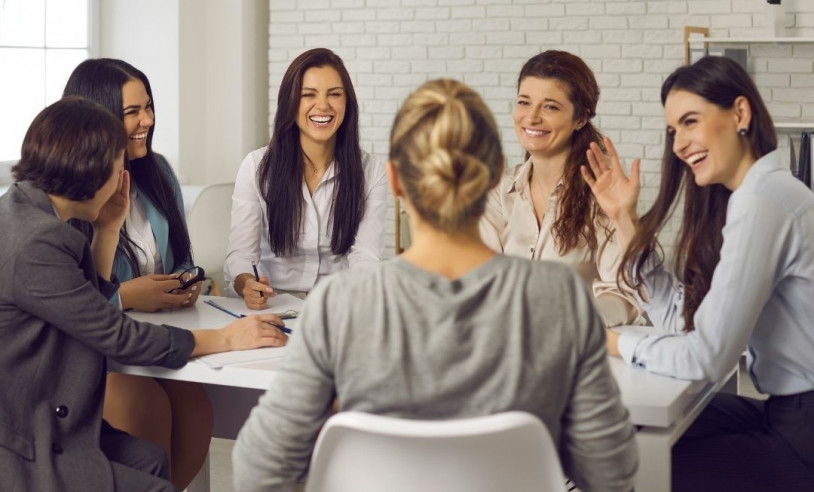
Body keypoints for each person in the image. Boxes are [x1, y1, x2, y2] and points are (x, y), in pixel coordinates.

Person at [232, 79, 638, 492]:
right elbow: (612, 474)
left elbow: (258, 472)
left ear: (393, 180)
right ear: (497, 170)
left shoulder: (339, 304)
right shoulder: (559, 296)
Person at [0, 97, 287, 491]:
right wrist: (225, 338)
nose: (124, 173)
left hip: (39, 421)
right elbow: (112, 332)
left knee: (151, 460)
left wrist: (108, 229)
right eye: (119, 162)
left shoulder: (26, 211)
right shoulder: (39, 241)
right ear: (92, 168)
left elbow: (87, 302)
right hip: (23, 443)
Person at [582, 56, 814, 490]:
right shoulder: (751, 196)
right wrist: (623, 220)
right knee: (632, 441)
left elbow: (707, 357)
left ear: (740, 114)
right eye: (674, 131)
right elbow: (689, 325)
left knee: (637, 469)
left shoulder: (764, 201)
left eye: (690, 121)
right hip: (785, 413)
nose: (679, 144)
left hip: (803, 435)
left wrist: (612, 341)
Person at [62, 58, 212, 490]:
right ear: (100, 115)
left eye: (148, 107)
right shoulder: (72, 192)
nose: (146, 120)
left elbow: (180, 256)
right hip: (97, 350)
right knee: (146, 404)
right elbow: (69, 299)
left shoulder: (158, 171)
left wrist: (185, 282)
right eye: (132, 112)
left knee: (195, 404)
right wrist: (126, 295)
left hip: (154, 335)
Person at [479, 50, 643, 327]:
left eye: (550, 107)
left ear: (580, 119)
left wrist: (567, 317)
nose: (531, 118)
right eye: (524, 102)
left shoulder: (601, 195)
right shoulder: (499, 192)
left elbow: (625, 297)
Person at [225, 47, 387, 306]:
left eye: (335, 94)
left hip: (337, 304)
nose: (323, 105)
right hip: (273, 303)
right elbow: (241, 255)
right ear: (290, 103)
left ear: (347, 102)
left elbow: (366, 256)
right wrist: (247, 283)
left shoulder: (370, 171)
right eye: (308, 95)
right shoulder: (256, 167)